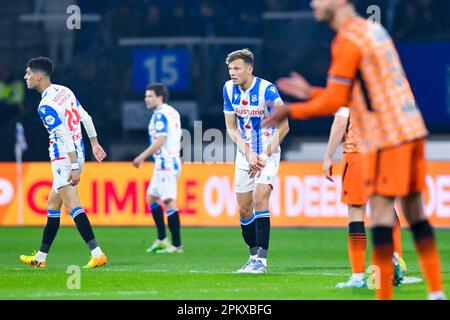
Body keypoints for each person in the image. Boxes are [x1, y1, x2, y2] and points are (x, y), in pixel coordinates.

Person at [265, 0, 445, 300]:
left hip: (386, 136)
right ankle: (436, 293)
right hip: (412, 129)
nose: (312, 4)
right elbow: (356, 93)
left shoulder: (347, 40)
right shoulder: (374, 31)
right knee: (416, 213)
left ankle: (383, 295)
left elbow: (336, 101)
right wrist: (312, 93)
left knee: (381, 216)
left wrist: (292, 110)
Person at [20, 57, 107, 268]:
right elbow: (85, 117)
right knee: (52, 204)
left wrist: (74, 166)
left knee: (73, 205)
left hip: (65, 158)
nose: (26, 77)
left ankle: (97, 253)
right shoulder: (65, 91)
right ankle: (41, 257)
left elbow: (62, 136)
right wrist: (95, 143)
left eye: (28, 73)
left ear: (39, 76)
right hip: (79, 151)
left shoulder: (45, 106)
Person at [320, 105, 406, 288]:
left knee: (356, 211)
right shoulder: (392, 81)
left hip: (358, 153)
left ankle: (358, 277)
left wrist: (328, 156)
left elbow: (342, 119)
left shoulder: (349, 81)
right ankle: (395, 257)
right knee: (385, 207)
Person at [223, 49, 289, 274]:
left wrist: (263, 155)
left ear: (249, 69)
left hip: (268, 153)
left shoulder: (267, 90)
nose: (233, 73)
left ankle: (262, 261)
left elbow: (284, 126)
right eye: (230, 69)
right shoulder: (228, 89)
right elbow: (231, 128)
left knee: (260, 200)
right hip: (245, 155)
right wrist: (248, 153)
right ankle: (252, 257)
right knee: (243, 210)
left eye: (237, 68)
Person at [133, 83, 183, 254]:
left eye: (150, 96)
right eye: (146, 96)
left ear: (160, 97)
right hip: (168, 161)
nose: (146, 99)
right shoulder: (172, 112)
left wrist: (142, 157)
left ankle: (176, 245)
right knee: (151, 198)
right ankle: (162, 239)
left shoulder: (160, 115)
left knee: (168, 201)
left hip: (166, 163)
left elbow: (161, 140)